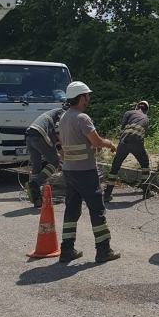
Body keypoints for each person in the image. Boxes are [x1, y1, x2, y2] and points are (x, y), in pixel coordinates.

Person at [57, 80, 120, 263]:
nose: (89, 99)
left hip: (69, 171)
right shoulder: (82, 118)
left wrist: (90, 147)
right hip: (85, 171)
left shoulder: (64, 117)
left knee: (71, 210)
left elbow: (75, 143)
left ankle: (66, 250)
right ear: (82, 98)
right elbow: (97, 141)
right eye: (87, 96)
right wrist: (108, 143)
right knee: (97, 209)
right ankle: (103, 250)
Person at [103, 100, 150, 202]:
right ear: (146, 110)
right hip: (137, 142)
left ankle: (107, 194)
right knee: (145, 164)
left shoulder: (128, 113)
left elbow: (122, 129)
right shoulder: (146, 118)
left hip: (124, 142)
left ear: (136, 107)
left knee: (115, 166)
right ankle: (146, 192)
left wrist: (120, 145)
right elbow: (140, 134)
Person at [25, 102, 67, 207]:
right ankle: (35, 184)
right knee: (54, 162)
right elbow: (58, 131)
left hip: (30, 136)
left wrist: (64, 157)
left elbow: (57, 142)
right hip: (40, 136)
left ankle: (36, 199)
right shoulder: (63, 113)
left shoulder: (53, 113)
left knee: (36, 167)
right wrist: (66, 144)